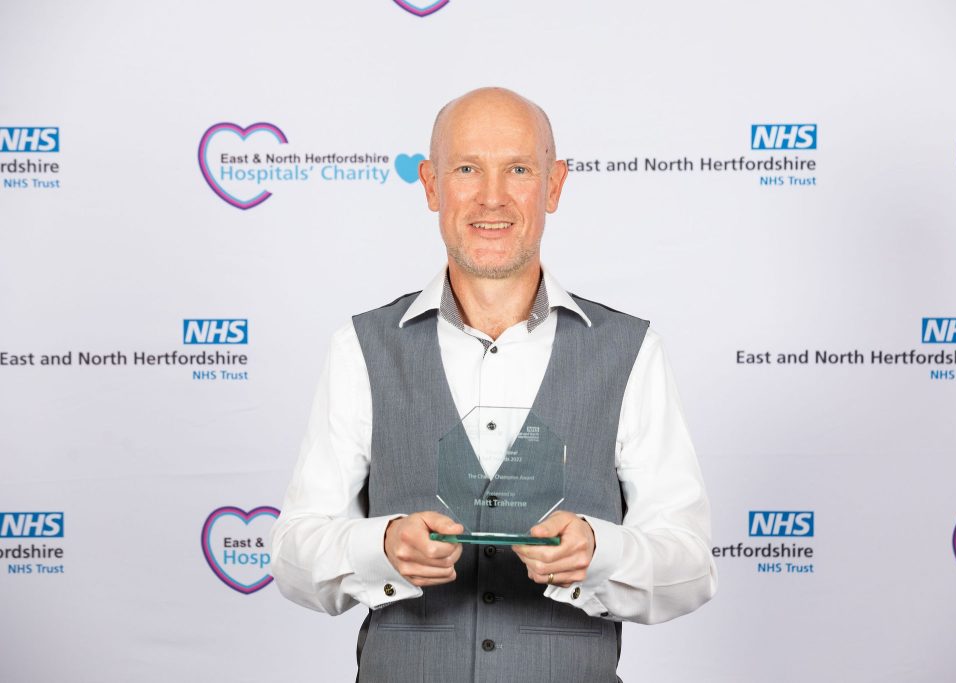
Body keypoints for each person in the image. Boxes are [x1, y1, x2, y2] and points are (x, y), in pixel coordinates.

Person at [270, 87, 717, 682]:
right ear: (431, 185)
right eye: (466, 169)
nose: (492, 197)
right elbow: (294, 556)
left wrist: (601, 552)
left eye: (519, 169)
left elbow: (689, 568)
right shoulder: (362, 346)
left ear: (554, 186)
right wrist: (378, 548)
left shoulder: (630, 351)